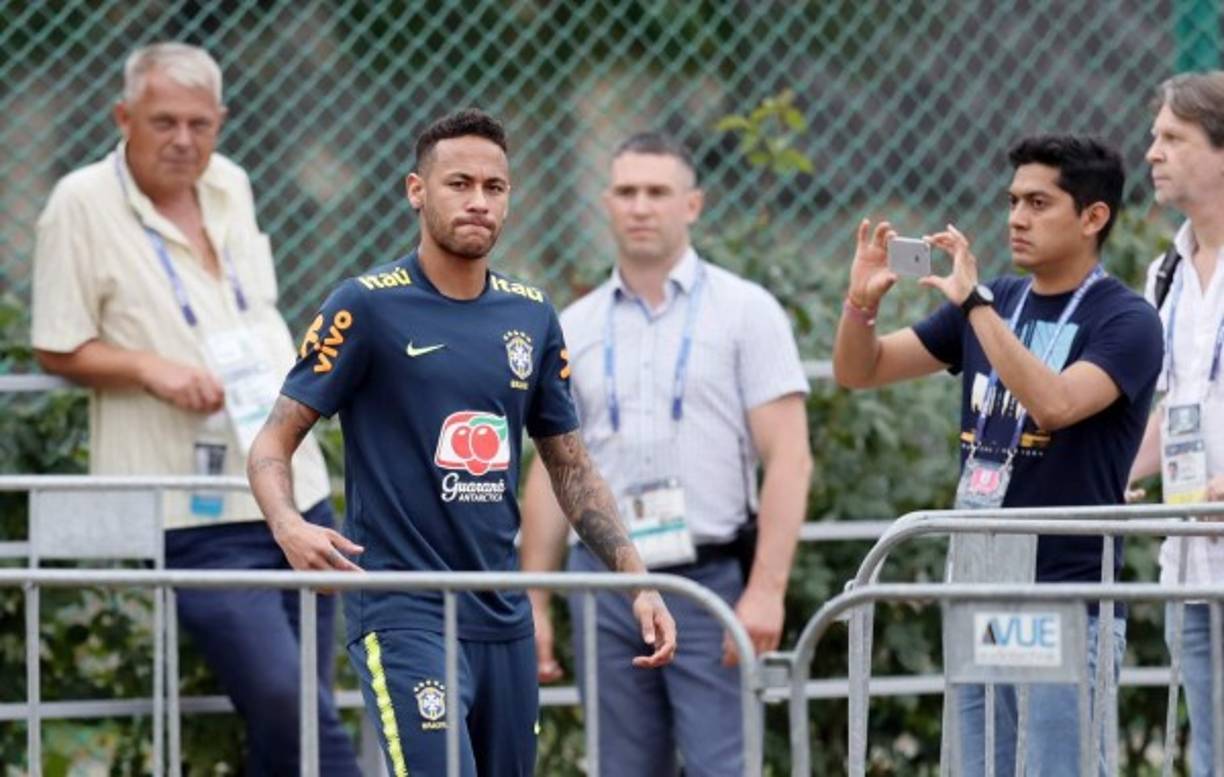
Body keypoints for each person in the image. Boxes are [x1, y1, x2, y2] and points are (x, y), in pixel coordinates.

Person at [246, 109, 678, 777]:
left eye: (494, 187)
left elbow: (571, 466)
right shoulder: (364, 305)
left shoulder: (531, 316)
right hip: (403, 605)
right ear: (417, 190)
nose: (478, 201)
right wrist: (287, 526)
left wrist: (636, 580)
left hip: (499, 607)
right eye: (459, 183)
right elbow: (274, 440)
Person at [29, 43, 358, 774]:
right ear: (123, 117)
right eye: (163, 121)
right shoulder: (79, 204)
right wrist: (147, 368)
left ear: (222, 122)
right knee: (283, 697)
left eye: (200, 124)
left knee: (303, 706)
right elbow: (56, 345)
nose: (184, 140)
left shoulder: (231, 184)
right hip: (194, 511)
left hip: (295, 488)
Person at [832, 135, 1163, 776]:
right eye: (1013, 201)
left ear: (1093, 217)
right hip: (981, 591)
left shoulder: (1125, 319)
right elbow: (860, 369)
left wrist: (975, 306)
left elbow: (1056, 404)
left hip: (1065, 600)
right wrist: (862, 303)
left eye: (1039, 203)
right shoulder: (997, 302)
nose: (1016, 218)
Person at [519, 132, 813, 777]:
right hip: (604, 587)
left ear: (693, 205)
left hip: (705, 582)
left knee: (723, 766)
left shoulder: (746, 312)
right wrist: (536, 601)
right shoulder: (572, 325)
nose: (641, 206)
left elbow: (789, 457)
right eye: (626, 192)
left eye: (658, 192)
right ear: (607, 203)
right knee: (622, 768)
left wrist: (767, 590)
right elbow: (551, 467)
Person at [1126, 71, 1224, 777]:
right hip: (1191, 561)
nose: (1152, 152)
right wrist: (1110, 475)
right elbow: (1172, 406)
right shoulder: (1164, 271)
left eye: (1172, 138)